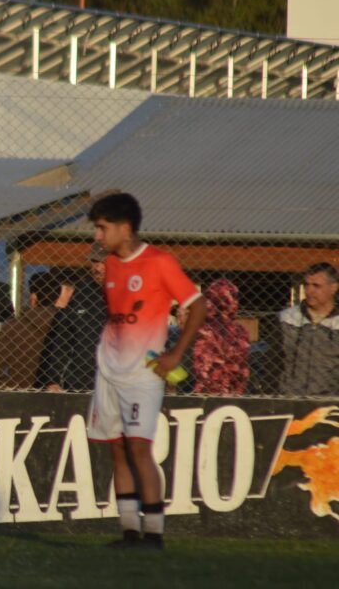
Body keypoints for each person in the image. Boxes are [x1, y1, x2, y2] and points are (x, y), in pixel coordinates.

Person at [87, 193, 205, 550]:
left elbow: (197, 306)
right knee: (117, 450)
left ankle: (154, 534)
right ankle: (128, 532)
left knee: (140, 449)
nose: (97, 235)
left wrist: (175, 354)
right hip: (109, 369)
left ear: (125, 229)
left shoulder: (159, 262)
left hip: (143, 374)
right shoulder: (110, 264)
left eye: (102, 228)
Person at [37, 244, 109, 392]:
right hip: (80, 385)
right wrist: (54, 379)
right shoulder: (82, 293)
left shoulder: (129, 293)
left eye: (104, 262)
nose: (98, 268)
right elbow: (62, 340)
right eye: (95, 262)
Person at [0, 270, 61, 389]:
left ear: (33, 297)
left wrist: (15, 388)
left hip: (19, 395)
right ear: (57, 297)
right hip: (59, 395)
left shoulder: (13, 327)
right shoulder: (65, 325)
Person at [277, 262, 339, 395]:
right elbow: (272, 363)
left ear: (333, 288)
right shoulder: (287, 318)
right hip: (289, 400)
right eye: (307, 285)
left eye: (316, 286)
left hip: (331, 403)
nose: (309, 291)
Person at [190, 278, 251, 395]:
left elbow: (200, 367)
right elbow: (243, 368)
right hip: (234, 391)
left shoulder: (203, 329)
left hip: (205, 392)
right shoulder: (241, 331)